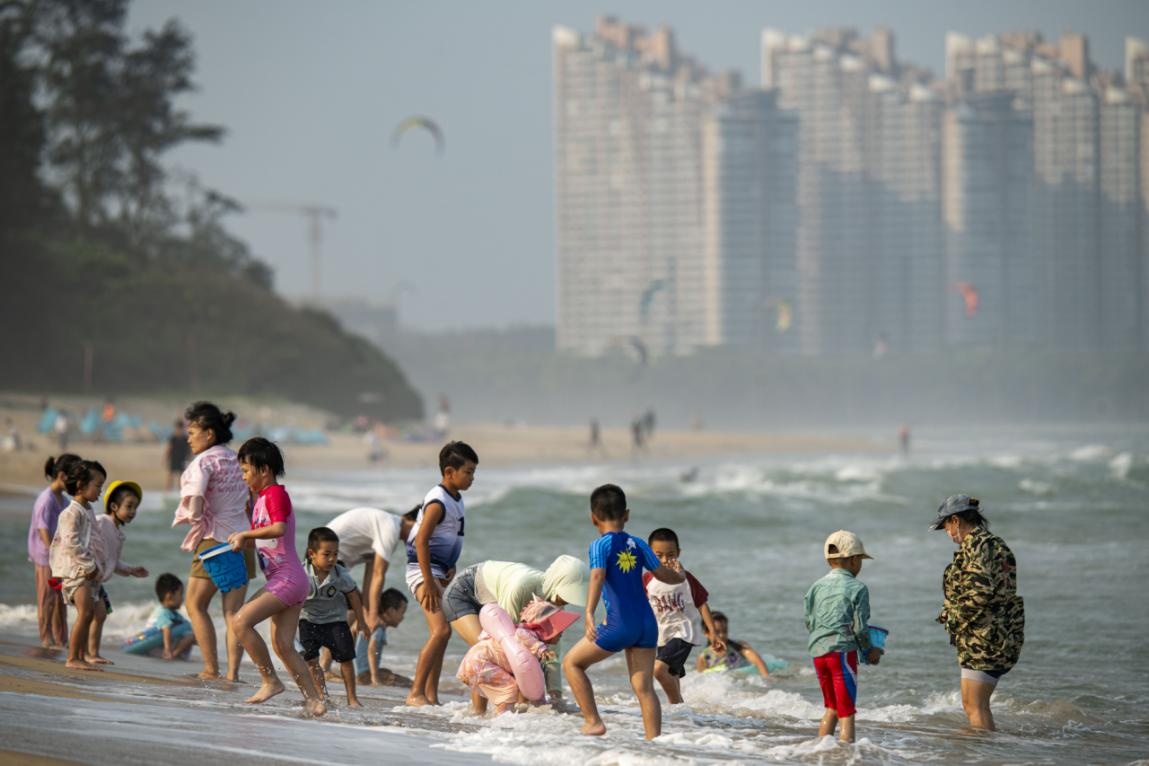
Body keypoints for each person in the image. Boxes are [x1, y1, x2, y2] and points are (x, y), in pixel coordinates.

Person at [562, 483, 685, 740]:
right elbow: (666, 577)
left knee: (572, 663)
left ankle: (593, 721)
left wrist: (588, 613)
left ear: (593, 517)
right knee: (644, 687)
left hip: (620, 625)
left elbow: (597, 577)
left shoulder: (599, 545)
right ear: (626, 515)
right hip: (647, 625)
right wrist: (679, 573)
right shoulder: (639, 544)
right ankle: (654, 742)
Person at [226, 437, 325, 715]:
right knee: (283, 645)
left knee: (240, 622)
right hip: (287, 579)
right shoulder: (260, 500)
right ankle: (314, 700)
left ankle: (270, 680)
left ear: (264, 470)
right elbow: (266, 539)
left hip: (288, 578)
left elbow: (279, 528)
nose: (244, 477)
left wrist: (246, 533)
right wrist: (241, 541)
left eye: (246, 471)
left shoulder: (275, 495)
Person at [172, 401, 254, 682]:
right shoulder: (237, 459)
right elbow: (252, 500)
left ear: (209, 433)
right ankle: (232, 674)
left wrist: (194, 515)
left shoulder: (203, 461)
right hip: (245, 541)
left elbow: (195, 497)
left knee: (195, 605)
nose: (188, 437)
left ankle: (211, 669)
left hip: (215, 541)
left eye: (193, 431)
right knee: (234, 612)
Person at [440, 555, 589, 702]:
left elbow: (552, 650)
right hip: (464, 592)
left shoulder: (557, 600)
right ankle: (480, 715)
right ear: (556, 582)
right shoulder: (522, 586)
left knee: (515, 656)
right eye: (567, 593)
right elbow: (510, 643)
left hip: (492, 601)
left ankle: (499, 713)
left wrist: (555, 693)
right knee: (489, 651)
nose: (567, 600)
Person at [933, 494, 1024, 731]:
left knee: (975, 706)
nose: (946, 532)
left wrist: (950, 616)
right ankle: (982, 753)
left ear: (956, 520)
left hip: (986, 638)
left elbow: (980, 593)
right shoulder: (992, 544)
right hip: (994, 635)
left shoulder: (978, 546)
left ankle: (983, 755)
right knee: (973, 705)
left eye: (945, 526)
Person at [405, 440, 479, 706]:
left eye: (473, 472)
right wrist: (429, 581)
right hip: (422, 572)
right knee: (440, 631)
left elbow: (449, 537)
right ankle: (415, 693)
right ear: (449, 472)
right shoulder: (438, 501)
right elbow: (421, 541)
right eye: (468, 472)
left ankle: (431, 694)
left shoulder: (456, 499)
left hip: (439, 571)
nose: (472, 478)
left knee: (442, 632)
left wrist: (450, 567)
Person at [803, 530, 883, 744]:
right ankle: (847, 757)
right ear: (855, 560)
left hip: (818, 653)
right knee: (847, 712)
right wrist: (870, 651)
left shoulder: (815, 586)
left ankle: (819, 752)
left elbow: (809, 621)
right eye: (861, 560)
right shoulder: (858, 588)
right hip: (841, 654)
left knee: (831, 708)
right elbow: (859, 628)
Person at [323, 505, 418, 682]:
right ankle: (324, 667)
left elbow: (370, 572)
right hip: (327, 556)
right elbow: (378, 574)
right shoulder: (390, 527)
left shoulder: (385, 530)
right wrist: (373, 617)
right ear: (411, 520)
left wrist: (368, 611)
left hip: (332, 559)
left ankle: (328, 665)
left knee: (355, 611)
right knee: (349, 614)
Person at [458, 597, 580, 715]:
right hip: (479, 662)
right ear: (546, 628)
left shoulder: (527, 640)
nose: (561, 633)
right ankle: (503, 718)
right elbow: (521, 634)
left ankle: (493, 716)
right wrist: (541, 649)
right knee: (509, 689)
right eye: (559, 630)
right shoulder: (527, 633)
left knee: (510, 687)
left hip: (476, 662)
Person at [643, 527, 722, 704]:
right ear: (649, 555)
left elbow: (702, 604)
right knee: (673, 673)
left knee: (658, 670)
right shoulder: (647, 579)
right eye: (658, 555)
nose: (665, 560)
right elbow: (640, 607)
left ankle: (676, 703)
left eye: (670, 555)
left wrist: (713, 633)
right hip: (662, 634)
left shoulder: (686, 578)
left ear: (678, 553)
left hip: (684, 632)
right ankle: (681, 715)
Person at [299, 526, 369, 707]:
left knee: (346, 659)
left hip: (335, 621)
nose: (332, 559)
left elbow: (354, 595)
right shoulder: (301, 573)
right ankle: (322, 695)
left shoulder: (340, 574)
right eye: (326, 554)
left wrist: (361, 621)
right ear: (312, 554)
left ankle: (352, 698)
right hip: (308, 621)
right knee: (312, 660)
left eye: (335, 554)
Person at [48, 459, 106, 671]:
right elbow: (71, 543)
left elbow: (93, 539)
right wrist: (90, 566)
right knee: (85, 613)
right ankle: (72, 657)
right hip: (75, 571)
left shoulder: (87, 510)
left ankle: (80, 656)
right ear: (81, 485)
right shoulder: (71, 513)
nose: (101, 490)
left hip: (85, 571)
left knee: (88, 613)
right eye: (98, 485)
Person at [88, 480, 149, 664]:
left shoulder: (116, 531)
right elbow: (87, 540)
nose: (132, 512)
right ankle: (85, 653)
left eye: (135, 508)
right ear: (114, 506)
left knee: (99, 615)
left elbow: (111, 561)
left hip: (96, 582)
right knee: (92, 615)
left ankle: (91, 653)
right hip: (88, 577)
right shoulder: (102, 522)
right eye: (129, 506)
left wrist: (130, 570)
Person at [28, 454, 80, 649]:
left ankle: (61, 638)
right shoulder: (46, 500)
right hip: (44, 557)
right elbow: (43, 531)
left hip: (59, 559)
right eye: (73, 477)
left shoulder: (64, 500)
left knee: (60, 599)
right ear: (61, 475)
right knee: (46, 598)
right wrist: (55, 554)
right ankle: (45, 637)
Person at [695, 611, 771, 677]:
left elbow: (759, 662)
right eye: (717, 632)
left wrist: (766, 678)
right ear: (706, 633)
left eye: (725, 631)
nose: (722, 635)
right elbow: (700, 678)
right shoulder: (704, 657)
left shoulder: (739, 647)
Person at [363, 588, 410, 686]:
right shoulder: (378, 628)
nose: (403, 617)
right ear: (392, 611)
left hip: (364, 673)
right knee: (410, 684)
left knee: (388, 672)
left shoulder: (376, 626)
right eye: (402, 613)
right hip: (365, 675)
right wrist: (375, 678)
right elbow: (372, 650)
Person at [147, 573, 198, 659]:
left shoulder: (173, 614)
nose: (182, 598)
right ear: (169, 596)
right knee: (191, 637)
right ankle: (174, 654)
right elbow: (166, 629)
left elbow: (186, 626)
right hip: (159, 649)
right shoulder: (162, 613)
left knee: (193, 635)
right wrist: (167, 649)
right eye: (180, 594)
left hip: (160, 647)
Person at [164, 419, 192, 493]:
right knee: (171, 475)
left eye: (179, 428)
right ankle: (168, 491)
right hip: (174, 458)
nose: (178, 430)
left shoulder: (185, 438)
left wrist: (189, 457)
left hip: (182, 459)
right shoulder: (173, 438)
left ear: (182, 428)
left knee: (181, 476)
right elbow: (169, 448)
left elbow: (189, 448)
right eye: (177, 428)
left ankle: (181, 492)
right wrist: (166, 458)